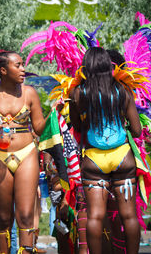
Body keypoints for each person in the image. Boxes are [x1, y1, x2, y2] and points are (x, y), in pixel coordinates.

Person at [0, 50, 49, 253]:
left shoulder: (30, 93)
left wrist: (53, 115)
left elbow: (39, 127)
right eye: (18, 65)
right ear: (4, 70)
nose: (24, 69)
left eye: (23, 64)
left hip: (27, 153)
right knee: (4, 217)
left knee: (25, 214)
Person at [69, 47, 141, 254]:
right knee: (129, 216)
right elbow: (136, 131)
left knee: (95, 217)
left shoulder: (78, 94)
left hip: (93, 161)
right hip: (122, 158)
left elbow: (77, 127)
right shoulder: (122, 92)